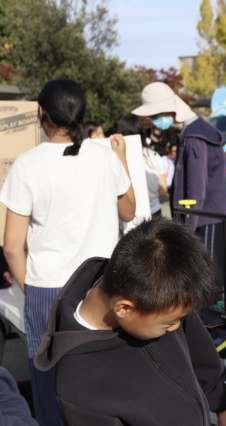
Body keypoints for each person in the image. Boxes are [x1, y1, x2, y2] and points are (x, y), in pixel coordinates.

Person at [0, 78, 136, 426]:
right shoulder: (105, 157)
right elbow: (128, 211)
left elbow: (11, 245)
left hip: (48, 289)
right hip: (101, 285)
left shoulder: (27, 164)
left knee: (49, 386)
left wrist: (28, 287)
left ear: (41, 113)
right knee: (104, 380)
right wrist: (121, 160)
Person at [34, 217, 226, 426]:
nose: (177, 327)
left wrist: (224, 407)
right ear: (124, 308)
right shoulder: (78, 384)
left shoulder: (162, 290)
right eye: (169, 323)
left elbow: (200, 353)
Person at [132, 82, 226, 288]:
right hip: (208, 217)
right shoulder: (192, 133)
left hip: (208, 218)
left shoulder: (195, 137)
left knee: (208, 283)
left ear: (170, 110)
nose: (154, 121)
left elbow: (196, 188)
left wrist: (187, 233)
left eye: (155, 116)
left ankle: (208, 321)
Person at [117, 113, 168, 217]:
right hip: (155, 213)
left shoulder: (119, 158)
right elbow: (163, 191)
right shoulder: (154, 156)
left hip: (133, 217)